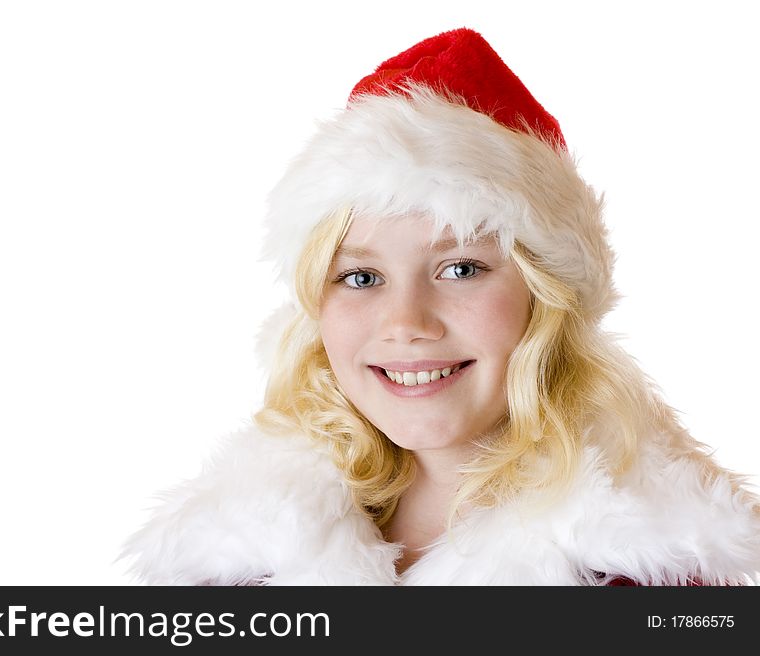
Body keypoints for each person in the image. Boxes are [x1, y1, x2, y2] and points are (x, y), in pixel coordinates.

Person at [121, 28, 760, 585]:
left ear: (547, 297)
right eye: (361, 277)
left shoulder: (657, 579)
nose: (405, 323)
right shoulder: (230, 568)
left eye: (460, 269)